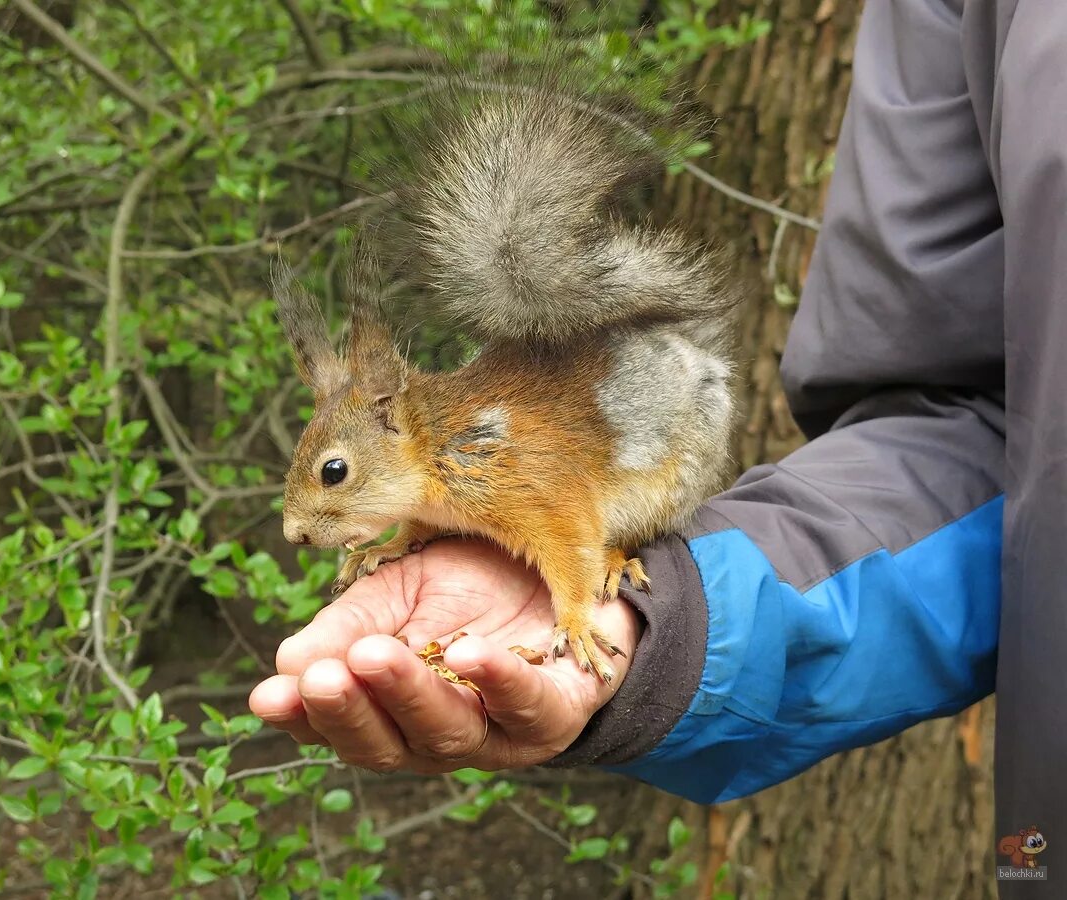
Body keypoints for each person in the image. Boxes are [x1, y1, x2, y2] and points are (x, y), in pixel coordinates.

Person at [250, 0, 1064, 890]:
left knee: (599, 500)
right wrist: (668, 627)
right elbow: (969, 428)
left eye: (334, 481)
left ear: (390, 423)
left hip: (645, 439)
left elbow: (558, 517)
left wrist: (573, 611)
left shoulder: (478, 466)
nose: (304, 527)